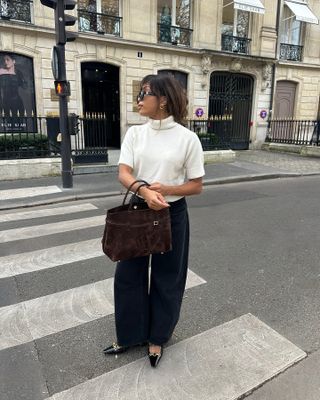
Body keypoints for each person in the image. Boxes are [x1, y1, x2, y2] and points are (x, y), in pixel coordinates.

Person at [103, 74, 205, 368]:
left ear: (163, 99)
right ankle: (130, 335)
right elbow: (124, 173)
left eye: (144, 93)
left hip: (172, 213)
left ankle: (157, 337)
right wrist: (144, 191)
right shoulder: (135, 134)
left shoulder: (187, 139)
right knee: (128, 275)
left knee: (167, 277)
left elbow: (196, 185)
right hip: (138, 210)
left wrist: (167, 189)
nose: (138, 100)